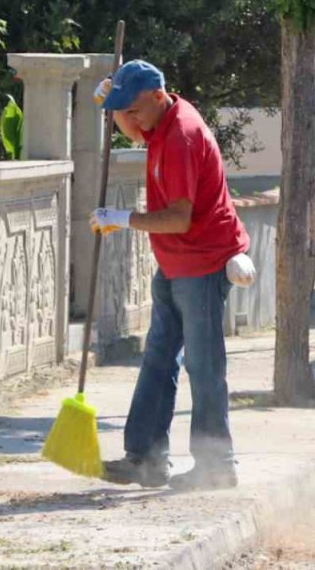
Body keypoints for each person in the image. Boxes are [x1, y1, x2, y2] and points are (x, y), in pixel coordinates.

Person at [90, 60, 253, 491]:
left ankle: (218, 465)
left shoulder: (181, 135)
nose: (132, 118)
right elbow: (132, 128)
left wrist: (125, 218)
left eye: (135, 108)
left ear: (158, 97)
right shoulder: (160, 120)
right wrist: (113, 106)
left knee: (204, 365)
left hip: (201, 263)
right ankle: (145, 459)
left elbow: (179, 219)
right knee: (159, 359)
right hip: (175, 263)